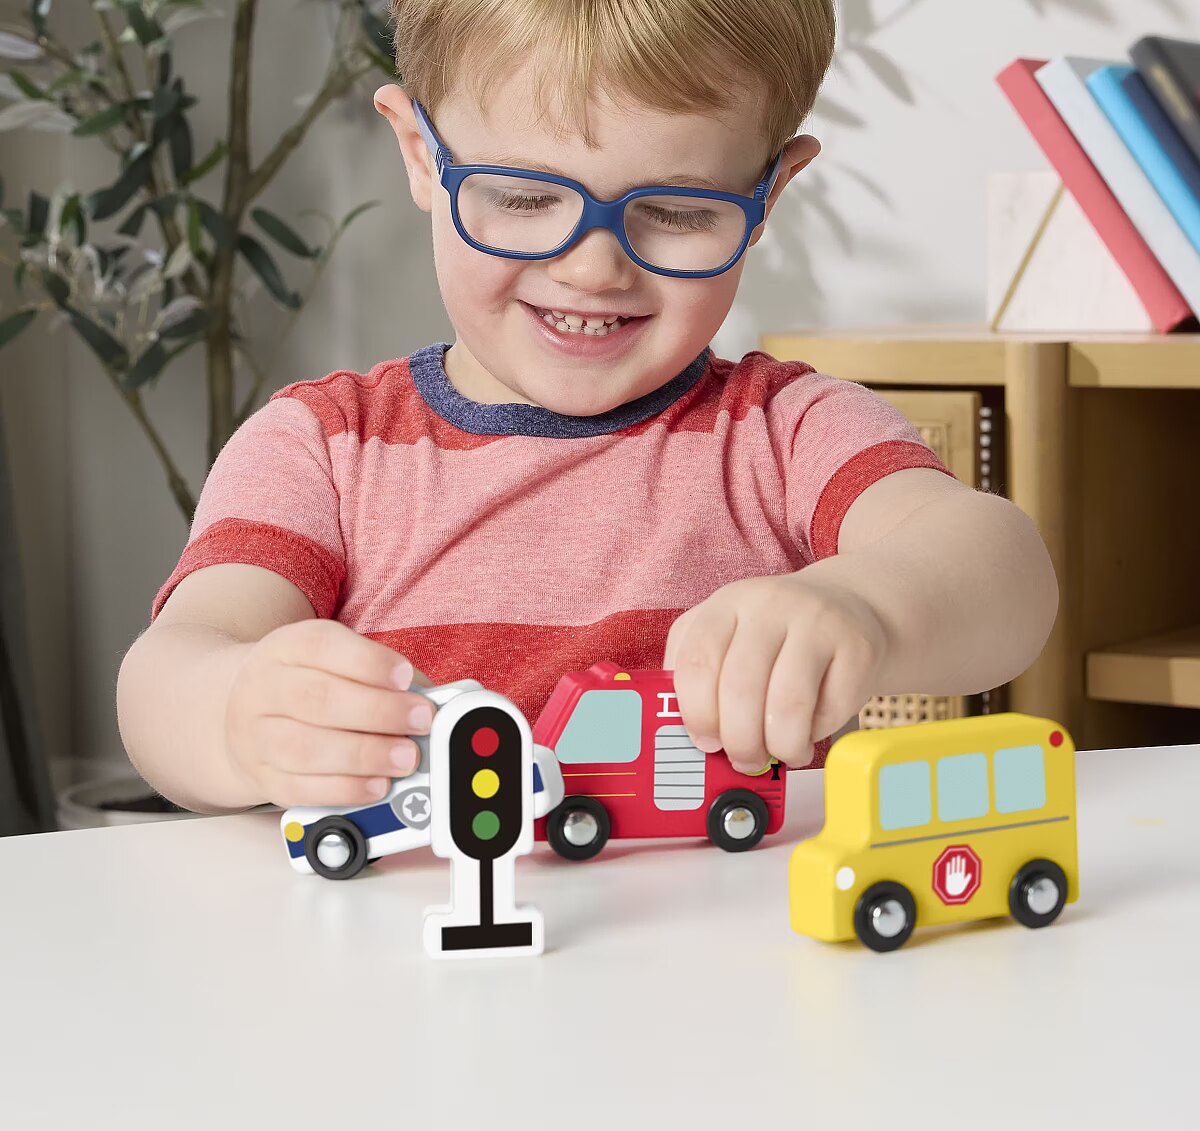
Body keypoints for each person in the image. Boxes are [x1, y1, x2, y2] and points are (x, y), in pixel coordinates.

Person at [117, 0, 1058, 815]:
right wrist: (238, 714)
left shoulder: (784, 432)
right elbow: (170, 670)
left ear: (768, 195)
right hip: (412, 949)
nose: (593, 267)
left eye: (678, 212)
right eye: (526, 197)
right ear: (420, 155)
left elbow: (1004, 570)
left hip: (732, 947)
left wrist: (865, 608)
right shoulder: (324, 448)